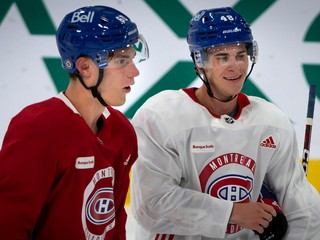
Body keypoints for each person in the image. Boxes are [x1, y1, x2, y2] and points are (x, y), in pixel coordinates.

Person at [130, 6, 320, 240]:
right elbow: (152, 205)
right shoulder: (160, 116)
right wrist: (234, 212)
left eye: (240, 55)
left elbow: (305, 211)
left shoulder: (272, 122)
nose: (235, 66)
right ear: (199, 62)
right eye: (222, 57)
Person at [0, 5, 148, 240]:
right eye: (122, 61)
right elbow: (8, 227)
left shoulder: (123, 132)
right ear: (85, 67)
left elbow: (114, 224)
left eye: (132, 58)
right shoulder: (37, 128)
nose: (135, 71)